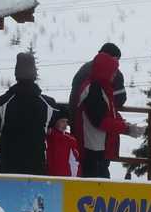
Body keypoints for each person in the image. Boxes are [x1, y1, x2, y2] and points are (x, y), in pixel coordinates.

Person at [0, 52, 58, 175]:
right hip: (37, 167)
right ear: (34, 74)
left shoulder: (3, 102)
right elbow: (60, 120)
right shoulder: (48, 104)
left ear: (16, 74)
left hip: (9, 168)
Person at [73, 50, 142, 178]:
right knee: (95, 182)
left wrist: (124, 125)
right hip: (92, 147)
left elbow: (109, 112)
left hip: (99, 146)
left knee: (101, 180)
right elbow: (100, 121)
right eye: (113, 71)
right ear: (105, 71)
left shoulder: (102, 87)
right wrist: (125, 128)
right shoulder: (93, 90)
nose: (115, 75)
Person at [69, 43, 127, 129]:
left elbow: (75, 95)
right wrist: (121, 125)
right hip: (96, 129)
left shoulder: (84, 69)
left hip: (75, 118)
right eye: (117, 59)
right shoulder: (114, 74)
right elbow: (120, 99)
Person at [46, 109, 81, 177]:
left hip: (66, 178)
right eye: (62, 121)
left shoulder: (70, 139)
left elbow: (75, 163)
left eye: (66, 122)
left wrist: (75, 178)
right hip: (49, 178)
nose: (65, 124)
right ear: (55, 122)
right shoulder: (48, 137)